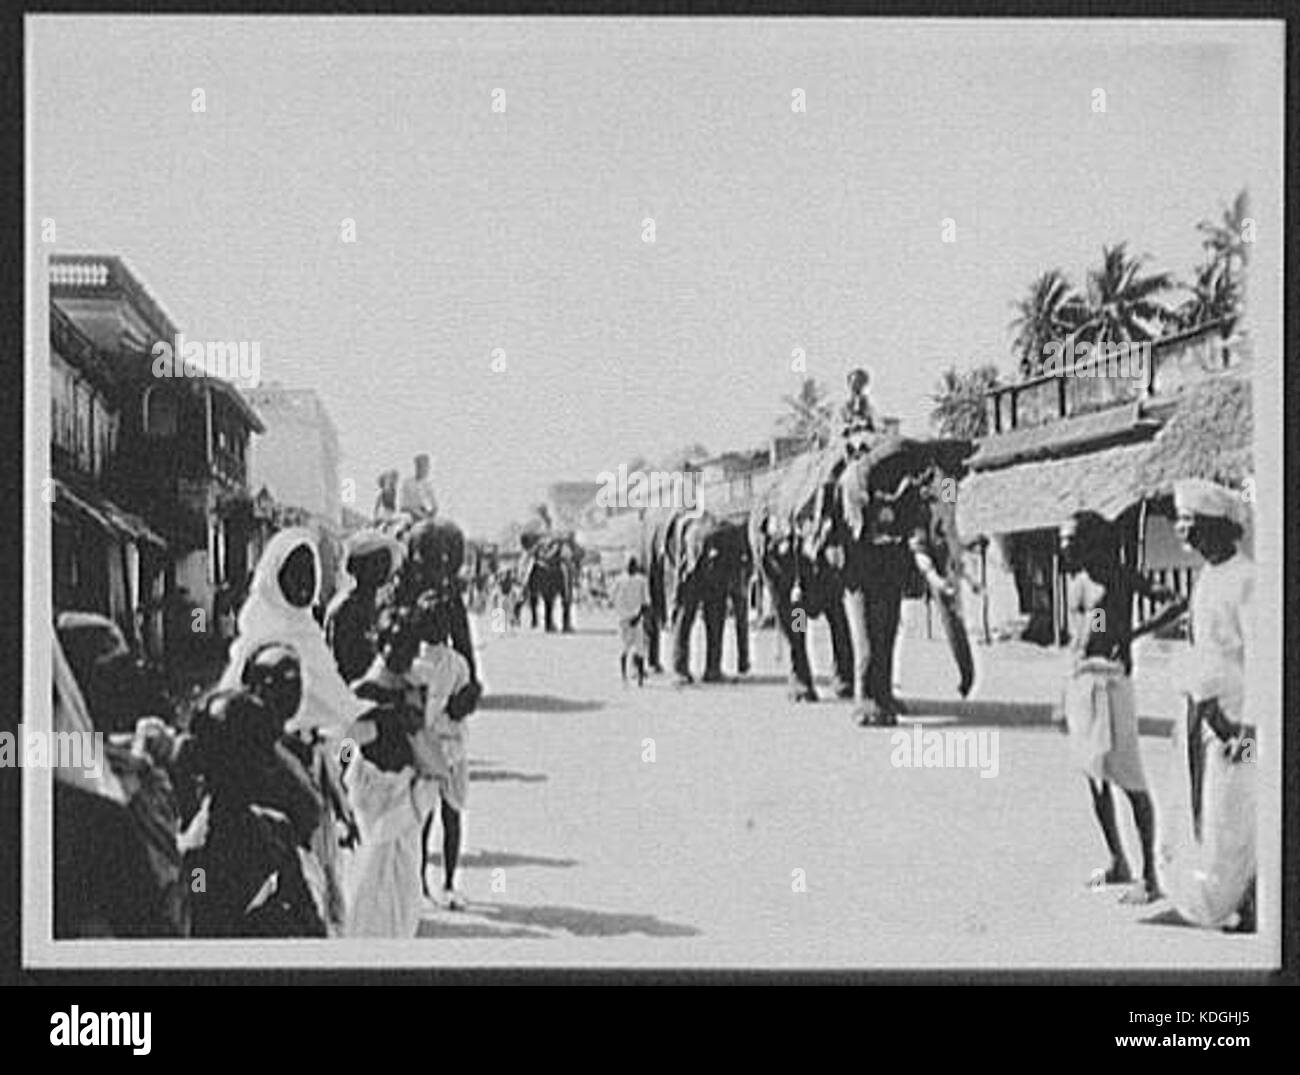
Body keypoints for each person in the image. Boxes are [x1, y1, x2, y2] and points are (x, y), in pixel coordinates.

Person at [1057, 510, 1182, 905]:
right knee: (1094, 778)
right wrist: (1064, 695)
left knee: (1129, 779)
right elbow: (1083, 639)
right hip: (1081, 684)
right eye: (1063, 540)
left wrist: (1133, 633)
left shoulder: (1118, 577)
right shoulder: (1078, 582)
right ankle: (1118, 860)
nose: (1065, 547)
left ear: (1091, 542)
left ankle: (1150, 875)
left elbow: (1176, 600)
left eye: (1072, 540)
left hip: (1111, 686)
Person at [1157, 479, 1256, 931]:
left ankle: (1246, 899)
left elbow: (1260, 658)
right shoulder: (1207, 579)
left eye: (1191, 523)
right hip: (1204, 714)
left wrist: (1250, 732)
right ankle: (1213, 899)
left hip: (1237, 719)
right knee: (1204, 812)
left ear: (1218, 528)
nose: (1183, 532)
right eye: (1180, 522)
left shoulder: (1247, 579)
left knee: (1235, 810)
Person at [189, 643, 329, 937]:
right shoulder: (198, 860)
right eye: (256, 758)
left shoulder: (276, 830)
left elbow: (310, 918)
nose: (268, 767)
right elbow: (200, 923)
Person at [345, 632, 438, 938]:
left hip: (404, 796)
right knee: (366, 888)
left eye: (408, 648)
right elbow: (343, 745)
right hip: (370, 798)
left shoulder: (415, 691)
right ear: (381, 646)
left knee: (402, 893)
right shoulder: (364, 691)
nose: (401, 654)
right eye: (395, 646)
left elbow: (426, 751)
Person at [405, 596, 475, 910]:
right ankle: (448, 883)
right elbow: (465, 704)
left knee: (422, 820)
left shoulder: (411, 663)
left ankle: (418, 883)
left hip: (422, 751)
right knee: (452, 815)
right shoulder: (457, 662)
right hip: (452, 750)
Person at [325, 530, 405, 684]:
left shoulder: (377, 607)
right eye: (375, 562)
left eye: (385, 561)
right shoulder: (347, 608)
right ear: (358, 566)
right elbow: (347, 665)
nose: (382, 568)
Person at [610, 556, 650, 686]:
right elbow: (613, 598)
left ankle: (638, 678)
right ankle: (625, 676)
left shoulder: (640, 581)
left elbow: (645, 602)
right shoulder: (621, 581)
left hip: (631, 619)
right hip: (629, 619)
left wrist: (638, 617)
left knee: (637, 649)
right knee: (627, 648)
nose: (631, 567)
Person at [839, 367, 878, 440]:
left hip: (865, 432)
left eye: (855, 383)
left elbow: (870, 415)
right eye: (850, 383)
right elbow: (846, 414)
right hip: (852, 431)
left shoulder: (867, 400)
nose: (851, 386)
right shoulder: (849, 401)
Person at [399, 454, 439, 521]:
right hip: (411, 514)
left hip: (425, 513)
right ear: (417, 467)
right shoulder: (408, 483)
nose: (425, 470)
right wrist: (415, 512)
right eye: (422, 467)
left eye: (427, 467)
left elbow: (434, 503)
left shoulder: (427, 485)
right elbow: (404, 505)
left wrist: (433, 511)